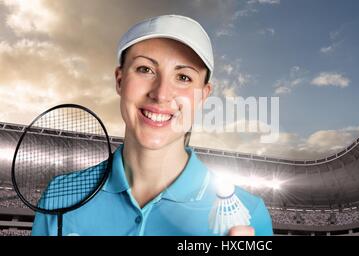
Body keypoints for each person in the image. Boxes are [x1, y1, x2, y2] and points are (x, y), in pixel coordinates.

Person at [32, 14, 273, 236]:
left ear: (202, 96)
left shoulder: (249, 214)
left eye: (183, 77)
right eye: (145, 69)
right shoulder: (59, 197)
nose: (161, 94)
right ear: (120, 79)